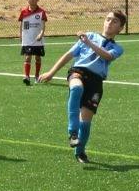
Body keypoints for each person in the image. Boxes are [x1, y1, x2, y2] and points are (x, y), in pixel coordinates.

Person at [40, 10, 127, 164]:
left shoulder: (117, 48)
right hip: (78, 71)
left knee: (86, 122)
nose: (109, 23)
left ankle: (80, 151)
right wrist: (51, 72)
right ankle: (72, 132)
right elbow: (69, 54)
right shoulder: (89, 36)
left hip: (96, 81)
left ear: (120, 28)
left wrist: (88, 42)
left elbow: (106, 56)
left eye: (114, 21)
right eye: (108, 19)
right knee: (76, 88)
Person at [19, 0, 49, 85]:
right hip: (27, 39)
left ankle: (36, 76)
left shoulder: (41, 12)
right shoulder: (23, 12)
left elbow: (43, 25)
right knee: (27, 57)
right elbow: (21, 24)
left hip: (38, 39)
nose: (32, 0)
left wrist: (41, 34)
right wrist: (20, 35)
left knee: (38, 58)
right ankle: (27, 76)